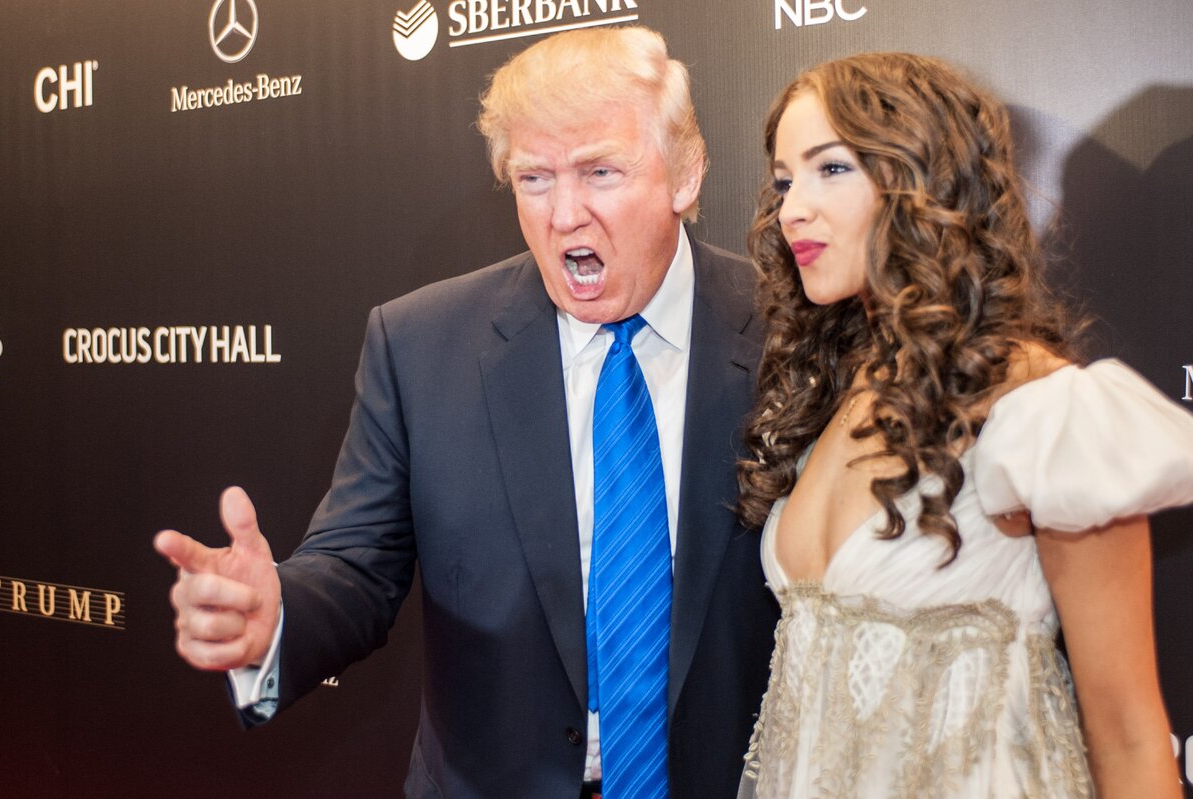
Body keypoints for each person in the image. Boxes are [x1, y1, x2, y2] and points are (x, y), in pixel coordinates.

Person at [153, 26, 778, 799]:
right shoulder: (420, 344)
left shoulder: (792, 332)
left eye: (599, 171)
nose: (564, 214)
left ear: (685, 173)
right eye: (534, 178)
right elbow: (355, 566)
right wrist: (274, 617)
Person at [734, 52, 1193, 798]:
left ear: (924, 181)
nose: (792, 211)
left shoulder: (1043, 409)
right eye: (785, 182)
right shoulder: (835, 391)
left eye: (831, 169)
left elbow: (1130, 736)